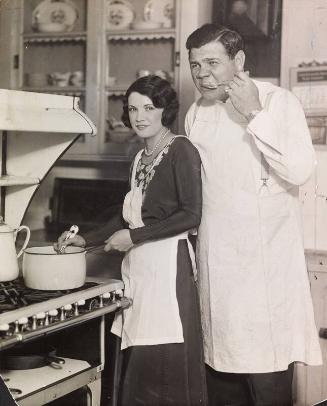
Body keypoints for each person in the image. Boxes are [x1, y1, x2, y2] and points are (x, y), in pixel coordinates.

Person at [184, 23, 322, 406]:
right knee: (223, 387)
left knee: (269, 387)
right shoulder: (197, 113)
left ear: (238, 60)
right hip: (219, 279)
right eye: (194, 65)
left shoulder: (278, 101)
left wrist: (254, 113)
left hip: (265, 284)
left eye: (212, 62)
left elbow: (298, 170)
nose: (202, 74)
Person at [57, 75, 207, 406]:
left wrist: (134, 237)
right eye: (133, 108)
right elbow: (128, 215)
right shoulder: (141, 158)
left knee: (163, 358)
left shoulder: (181, 149)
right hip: (139, 268)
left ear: (165, 111)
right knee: (137, 350)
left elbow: (191, 214)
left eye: (149, 108)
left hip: (170, 270)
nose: (139, 116)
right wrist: (86, 239)